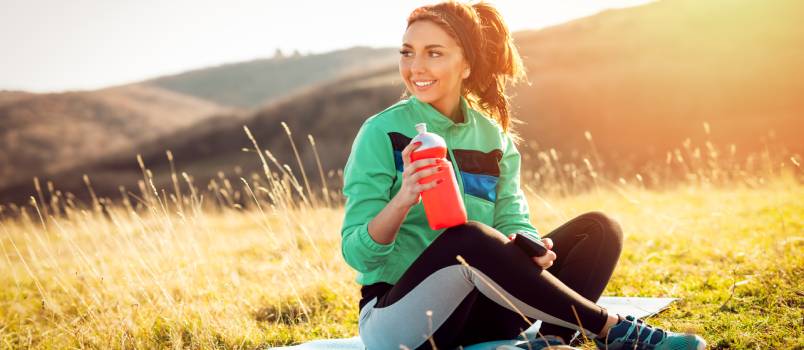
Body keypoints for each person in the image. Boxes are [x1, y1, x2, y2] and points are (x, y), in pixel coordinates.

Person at [340, 1, 707, 349]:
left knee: (599, 229)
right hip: (402, 323)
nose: (415, 66)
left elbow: (513, 220)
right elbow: (357, 253)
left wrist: (532, 247)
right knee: (466, 239)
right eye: (407, 52)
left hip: (485, 314)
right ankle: (613, 329)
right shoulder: (381, 133)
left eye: (433, 53)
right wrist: (404, 198)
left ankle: (551, 341)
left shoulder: (493, 138)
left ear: (466, 64)